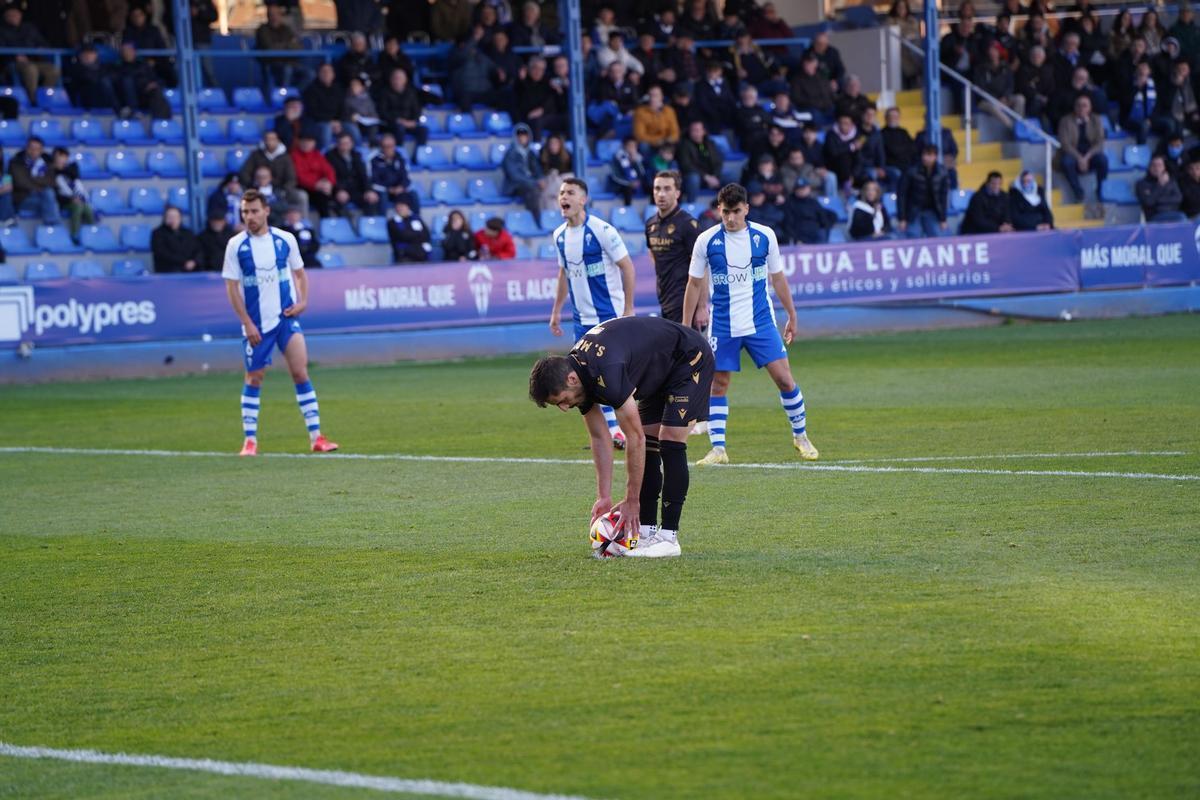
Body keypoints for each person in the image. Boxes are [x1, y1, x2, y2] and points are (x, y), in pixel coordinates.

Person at [528, 314, 715, 558]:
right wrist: (604, 496)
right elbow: (599, 437)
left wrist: (631, 499)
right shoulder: (579, 375)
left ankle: (669, 538)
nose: (564, 408)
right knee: (650, 444)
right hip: (656, 372)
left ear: (571, 379)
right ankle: (646, 531)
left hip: (688, 358)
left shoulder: (606, 371)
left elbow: (633, 437)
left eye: (562, 400)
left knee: (669, 441)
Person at [681, 183, 818, 465]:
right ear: (718, 210)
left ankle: (801, 437)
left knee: (784, 379)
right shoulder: (706, 241)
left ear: (746, 209)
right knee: (718, 385)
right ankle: (718, 449)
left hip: (760, 322)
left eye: (736, 211)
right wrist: (685, 329)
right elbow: (694, 284)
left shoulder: (765, 236)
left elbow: (777, 277)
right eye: (725, 212)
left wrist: (792, 314)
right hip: (722, 325)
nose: (730, 218)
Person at [223, 189, 337, 456]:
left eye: (253, 211)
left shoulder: (285, 240)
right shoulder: (236, 245)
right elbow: (231, 288)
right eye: (244, 212)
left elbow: (300, 274)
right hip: (257, 325)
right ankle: (250, 441)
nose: (248, 216)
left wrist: (303, 301)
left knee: (300, 372)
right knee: (254, 378)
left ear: (266, 211)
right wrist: (247, 323)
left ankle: (317, 437)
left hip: (286, 318)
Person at [548, 177, 636, 449]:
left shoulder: (602, 231)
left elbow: (628, 268)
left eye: (570, 193)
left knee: (615, 376)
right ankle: (613, 432)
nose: (564, 197)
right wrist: (556, 311)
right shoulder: (559, 235)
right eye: (562, 193)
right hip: (581, 321)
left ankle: (630, 428)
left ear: (583, 199)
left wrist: (629, 307)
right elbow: (563, 273)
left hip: (607, 318)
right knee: (588, 380)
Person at [645, 170, 702, 324]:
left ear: (677, 193)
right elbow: (653, 254)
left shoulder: (688, 224)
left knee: (688, 347)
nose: (661, 194)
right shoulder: (650, 224)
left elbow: (703, 268)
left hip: (685, 300)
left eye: (667, 189)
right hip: (664, 298)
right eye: (657, 189)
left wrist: (702, 307)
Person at [0, 4, 60, 103]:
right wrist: (15, 56)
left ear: (20, 15)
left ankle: (44, 97)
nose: (14, 17)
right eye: (10, 15)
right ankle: (33, 100)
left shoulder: (30, 28)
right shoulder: (1, 31)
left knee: (53, 70)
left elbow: (43, 44)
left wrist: (42, 49)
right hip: (12, 63)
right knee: (31, 70)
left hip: (34, 60)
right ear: (5, 17)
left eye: (16, 14)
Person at [1056, 94, 1107, 206]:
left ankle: (1101, 190)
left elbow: (1100, 142)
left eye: (1085, 106)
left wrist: (1086, 157)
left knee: (1103, 160)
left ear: (1090, 108)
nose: (1081, 108)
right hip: (1073, 154)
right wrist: (1079, 158)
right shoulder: (1065, 121)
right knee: (1066, 162)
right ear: (1074, 107)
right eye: (1079, 106)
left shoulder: (1096, 119)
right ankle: (1078, 192)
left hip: (1090, 154)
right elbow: (1065, 144)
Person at [240, 130, 306, 216]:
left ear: (278, 140)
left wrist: (285, 190)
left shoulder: (285, 157)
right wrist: (253, 185)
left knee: (302, 196)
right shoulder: (256, 155)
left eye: (272, 139)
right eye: (267, 139)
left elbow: (291, 178)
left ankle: (302, 223)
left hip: (280, 189)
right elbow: (244, 172)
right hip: (259, 187)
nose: (269, 142)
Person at [255, 2, 310, 92]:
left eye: (277, 14)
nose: (274, 17)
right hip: (272, 64)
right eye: (271, 14)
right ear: (267, 16)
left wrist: (282, 46)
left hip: (291, 62)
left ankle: (294, 95)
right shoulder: (263, 30)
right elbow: (269, 47)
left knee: (310, 74)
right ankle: (284, 97)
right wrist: (288, 45)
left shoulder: (286, 29)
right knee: (287, 70)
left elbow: (298, 46)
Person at [897, 145, 949, 238]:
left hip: (932, 211)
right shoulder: (911, 171)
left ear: (935, 156)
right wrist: (902, 218)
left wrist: (943, 219)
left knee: (937, 236)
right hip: (913, 211)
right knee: (913, 236)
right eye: (924, 154)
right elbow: (902, 195)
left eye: (929, 155)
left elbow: (943, 197)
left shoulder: (942, 172)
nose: (925, 158)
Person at [8, 136, 59, 225]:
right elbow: (21, 182)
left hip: (42, 196)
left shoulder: (47, 162)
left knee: (49, 194)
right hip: (23, 198)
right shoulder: (16, 162)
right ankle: (53, 228)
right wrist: (40, 185)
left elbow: (51, 181)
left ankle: (51, 227)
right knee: (50, 198)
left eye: (37, 149)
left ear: (42, 150)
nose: (34, 151)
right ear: (27, 148)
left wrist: (32, 177)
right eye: (31, 148)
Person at [326, 132, 379, 215]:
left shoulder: (356, 156)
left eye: (346, 143)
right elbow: (331, 176)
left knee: (371, 199)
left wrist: (369, 190)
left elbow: (363, 175)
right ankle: (342, 226)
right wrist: (339, 190)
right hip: (338, 189)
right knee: (338, 201)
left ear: (351, 144)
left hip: (355, 189)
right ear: (337, 144)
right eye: (341, 143)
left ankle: (370, 225)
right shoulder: (330, 157)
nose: (344, 146)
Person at [375, 67, 429, 149]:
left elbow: (417, 109)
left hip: (408, 123)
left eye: (400, 78)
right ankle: (399, 152)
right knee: (399, 128)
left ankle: (419, 154)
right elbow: (382, 112)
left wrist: (413, 121)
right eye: (395, 78)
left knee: (423, 130)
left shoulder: (411, 93)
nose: (397, 81)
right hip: (392, 124)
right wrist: (398, 120)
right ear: (391, 80)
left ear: (405, 80)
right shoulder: (384, 93)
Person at [301, 63, 351, 150]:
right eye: (324, 71)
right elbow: (313, 111)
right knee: (326, 128)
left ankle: (359, 153)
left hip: (336, 121)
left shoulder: (338, 89)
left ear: (333, 74)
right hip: (319, 122)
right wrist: (330, 121)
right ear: (319, 74)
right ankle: (325, 152)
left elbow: (343, 108)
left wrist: (338, 121)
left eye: (329, 72)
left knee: (351, 127)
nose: (326, 74)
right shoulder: (311, 90)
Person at [50, 147, 95, 239]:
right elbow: (53, 194)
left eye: (66, 158)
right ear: (56, 156)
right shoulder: (50, 173)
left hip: (73, 199)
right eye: (62, 157)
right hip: (60, 202)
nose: (64, 160)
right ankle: (74, 234)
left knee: (87, 208)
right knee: (78, 207)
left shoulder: (69, 171)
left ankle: (92, 232)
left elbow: (76, 180)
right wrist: (71, 199)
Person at [290, 132, 337, 217]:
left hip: (320, 187)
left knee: (334, 192)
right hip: (304, 187)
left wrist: (329, 183)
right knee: (322, 197)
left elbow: (328, 170)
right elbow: (299, 176)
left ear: (314, 143)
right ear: (299, 142)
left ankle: (331, 224)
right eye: (304, 141)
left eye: (309, 142)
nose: (307, 144)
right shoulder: (294, 156)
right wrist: (316, 185)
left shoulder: (317, 154)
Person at [501, 123, 544, 215]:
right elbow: (514, 176)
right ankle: (535, 219)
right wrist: (534, 182)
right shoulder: (510, 154)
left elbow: (537, 169)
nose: (522, 138)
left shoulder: (531, 153)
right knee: (532, 190)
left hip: (530, 184)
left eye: (524, 136)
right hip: (514, 186)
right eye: (519, 136)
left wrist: (540, 179)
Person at [677, 120, 724, 203]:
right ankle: (691, 205)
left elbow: (718, 162)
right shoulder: (684, 145)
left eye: (698, 130)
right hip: (696, 176)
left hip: (712, 176)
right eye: (693, 130)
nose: (696, 133)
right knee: (693, 179)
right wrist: (706, 177)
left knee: (732, 176)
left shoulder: (710, 143)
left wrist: (715, 176)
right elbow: (686, 165)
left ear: (704, 131)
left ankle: (726, 205)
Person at [783, 177, 836, 244]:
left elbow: (823, 217)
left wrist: (828, 226)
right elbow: (788, 224)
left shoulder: (813, 202)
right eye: (799, 188)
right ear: (795, 190)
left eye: (804, 188)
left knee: (822, 233)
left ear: (809, 188)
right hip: (801, 236)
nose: (802, 190)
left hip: (816, 234)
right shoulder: (790, 203)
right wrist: (796, 239)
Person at [1136, 156, 1187, 223]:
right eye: (1153, 165)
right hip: (1154, 216)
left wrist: (1158, 201)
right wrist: (1160, 185)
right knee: (1181, 217)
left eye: (1159, 165)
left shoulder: (1171, 182)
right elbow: (1148, 202)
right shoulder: (1142, 184)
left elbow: (1178, 198)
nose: (1156, 168)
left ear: (1164, 167)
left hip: (1172, 213)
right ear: (1149, 167)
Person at [151, 206, 201, 273]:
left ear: (180, 218)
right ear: (164, 218)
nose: (173, 219)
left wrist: (194, 261)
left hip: (189, 271)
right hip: (168, 272)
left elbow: (197, 249)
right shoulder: (157, 233)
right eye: (170, 217)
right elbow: (162, 253)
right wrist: (184, 262)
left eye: (175, 217)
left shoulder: (188, 233)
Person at [632, 85, 680, 153]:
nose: (653, 98)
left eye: (656, 95)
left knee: (678, 144)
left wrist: (670, 139)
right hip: (650, 142)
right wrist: (656, 141)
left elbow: (675, 131)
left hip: (666, 142)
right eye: (651, 95)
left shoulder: (669, 111)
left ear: (661, 97)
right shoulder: (640, 112)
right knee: (643, 146)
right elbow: (639, 135)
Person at [607, 137, 645, 205]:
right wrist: (629, 183)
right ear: (624, 146)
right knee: (628, 189)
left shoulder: (638, 157)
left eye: (634, 146)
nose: (632, 148)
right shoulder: (617, 157)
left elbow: (642, 174)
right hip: (620, 185)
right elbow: (615, 176)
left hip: (635, 184)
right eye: (630, 145)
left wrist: (636, 161)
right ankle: (628, 210)